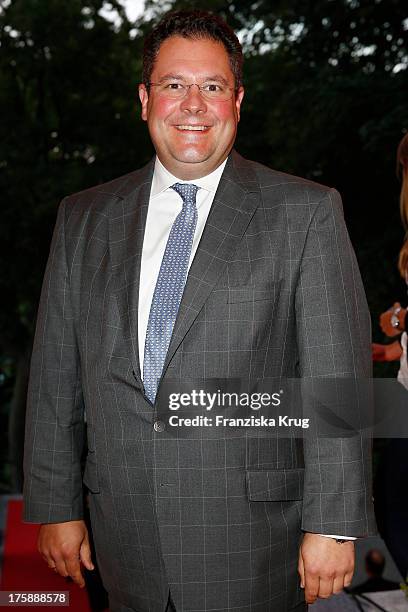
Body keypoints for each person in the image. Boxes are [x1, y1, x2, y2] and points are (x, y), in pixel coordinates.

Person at [23, 10, 376, 612]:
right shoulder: (82, 218)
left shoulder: (306, 213)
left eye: (212, 86)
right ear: (144, 98)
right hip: (122, 535)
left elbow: (336, 385)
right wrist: (56, 507)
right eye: (174, 85)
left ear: (238, 101)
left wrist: (334, 524)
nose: (193, 105)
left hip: (252, 541)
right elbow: (57, 377)